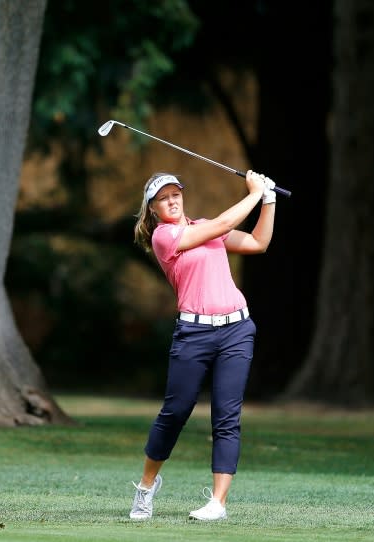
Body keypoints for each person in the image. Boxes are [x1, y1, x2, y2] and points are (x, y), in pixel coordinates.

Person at [128, 169, 276, 521]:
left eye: (175, 194)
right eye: (163, 198)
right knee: (175, 412)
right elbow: (225, 221)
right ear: (153, 210)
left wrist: (268, 201)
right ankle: (146, 488)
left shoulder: (207, 229)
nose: (172, 201)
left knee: (227, 417)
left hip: (237, 329)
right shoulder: (166, 237)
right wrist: (255, 192)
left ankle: (218, 504)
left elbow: (258, 243)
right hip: (194, 335)